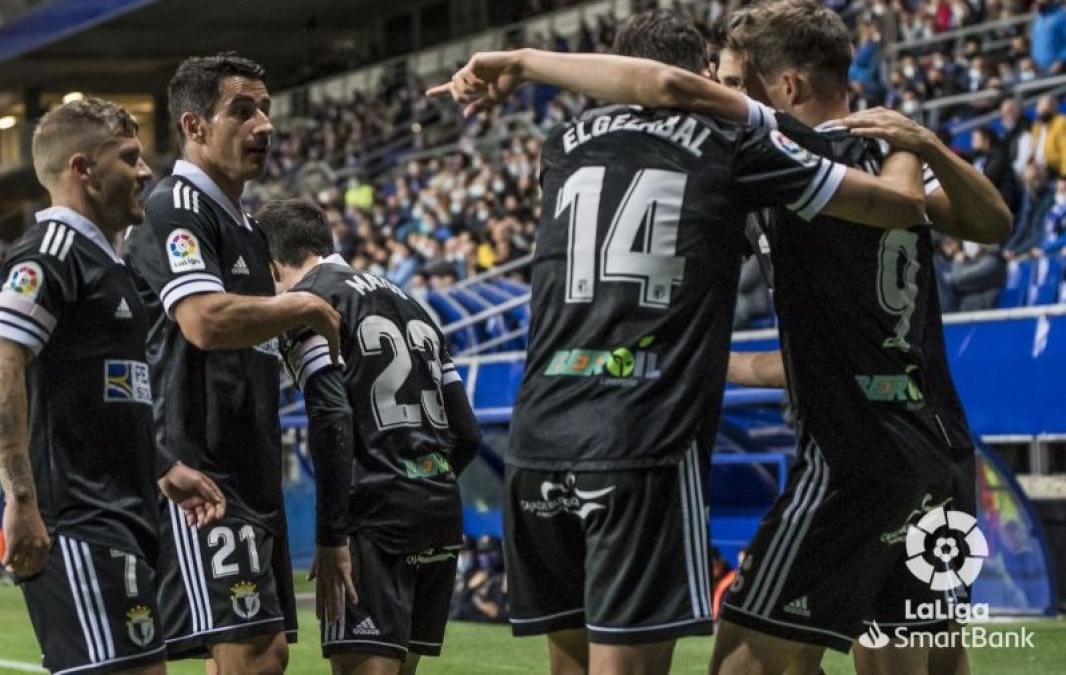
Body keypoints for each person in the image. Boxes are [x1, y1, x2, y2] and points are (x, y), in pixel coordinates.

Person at [428, 3, 1011, 674]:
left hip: (850, 452)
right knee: (921, 658)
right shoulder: (888, 153)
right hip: (936, 440)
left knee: (743, 659)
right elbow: (991, 223)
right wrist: (922, 142)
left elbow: (667, 87)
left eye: (731, 82)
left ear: (785, 87)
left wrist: (527, 61)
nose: (719, 94)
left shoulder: (770, 151)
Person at [0, 97, 224, 675]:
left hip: (122, 521)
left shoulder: (108, 263)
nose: (145, 172)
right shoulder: (53, 253)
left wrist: (162, 466)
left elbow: (105, 394)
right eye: (130, 158)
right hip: (79, 523)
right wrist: (21, 500)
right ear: (83, 169)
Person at [123, 53, 340, 673]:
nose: (263, 125)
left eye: (264, 109)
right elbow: (203, 320)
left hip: (251, 471)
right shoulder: (176, 206)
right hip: (202, 473)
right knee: (256, 655)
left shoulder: (244, 223)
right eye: (242, 111)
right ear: (194, 126)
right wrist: (302, 305)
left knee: (248, 656)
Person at [263, 199, 481, 675]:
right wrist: (422, 477)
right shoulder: (412, 302)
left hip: (374, 514)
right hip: (439, 508)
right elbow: (466, 432)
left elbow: (331, 417)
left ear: (271, 263)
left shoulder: (308, 303)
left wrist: (331, 533)